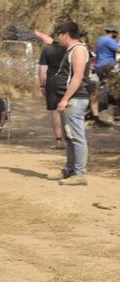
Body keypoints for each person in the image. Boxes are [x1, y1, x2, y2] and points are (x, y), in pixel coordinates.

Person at [53, 21, 90, 186]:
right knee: (69, 137)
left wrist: (66, 98)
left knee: (77, 137)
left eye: (58, 35)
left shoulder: (79, 50)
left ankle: (80, 173)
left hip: (75, 100)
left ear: (65, 34)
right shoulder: (70, 51)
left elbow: (77, 77)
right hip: (69, 100)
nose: (58, 39)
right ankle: (70, 169)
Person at [38, 34, 67, 148]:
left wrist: (42, 85)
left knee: (55, 111)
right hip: (68, 81)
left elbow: (42, 69)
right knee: (68, 110)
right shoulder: (70, 48)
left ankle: (59, 141)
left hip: (52, 82)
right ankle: (72, 139)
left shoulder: (47, 50)